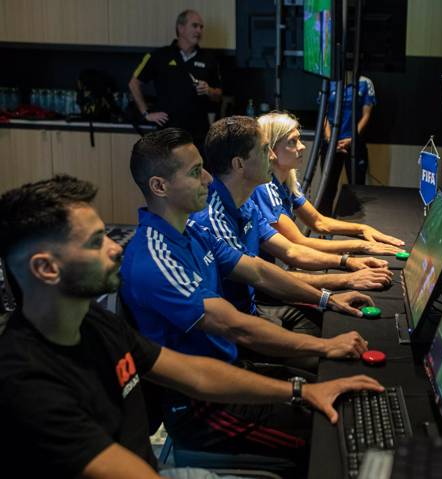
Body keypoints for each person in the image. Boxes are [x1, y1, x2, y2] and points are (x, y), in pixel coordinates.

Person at [0, 175, 383, 478]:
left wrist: (301, 391)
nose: (115, 247)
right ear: (46, 269)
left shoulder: (92, 321)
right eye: (96, 242)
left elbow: (193, 373)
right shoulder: (25, 380)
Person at [120, 128, 375, 460]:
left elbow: (258, 271)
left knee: (343, 395)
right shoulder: (154, 258)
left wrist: (328, 297)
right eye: (196, 172)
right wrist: (326, 344)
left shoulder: (192, 230)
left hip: (232, 371)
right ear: (159, 186)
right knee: (338, 439)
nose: (209, 179)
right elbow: (233, 326)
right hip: (204, 410)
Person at [191, 116, 394, 328]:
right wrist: (342, 282)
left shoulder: (246, 204)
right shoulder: (212, 218)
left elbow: (291, 250)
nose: (271, 157)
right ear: (239, 164)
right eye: (264, 150)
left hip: (253, 307)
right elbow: (262, 275)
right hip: (238, 322)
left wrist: (348, 260)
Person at [252, 112, 405, 256]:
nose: (302, 146)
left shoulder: (287, 181)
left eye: (298, 139)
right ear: (270, 149)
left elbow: (319, 222)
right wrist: (362, 245)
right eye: (292, 142)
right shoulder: (264, 188)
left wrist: (363, 228)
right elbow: (298, 243)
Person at [129, 9, 222, 148]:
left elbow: (219, 95)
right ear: (181, 28)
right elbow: (133, 83)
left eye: (201, 27)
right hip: (167, 134)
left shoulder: (209, 59)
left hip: (198, 135)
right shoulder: (160, 56)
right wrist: (146, 113)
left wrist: (209, 90)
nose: (199, 31)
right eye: (195, 26)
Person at [317, 73, 376, 214]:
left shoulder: (365, 82)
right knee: (327, 187)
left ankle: (355, 227)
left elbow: (366, 114)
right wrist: (331, 140)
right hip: (331, 143)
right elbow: (322, 112)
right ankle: (323, 230)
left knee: (357, 187)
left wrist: (352, 138)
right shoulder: (328, 81)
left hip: (354, 144)